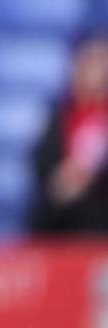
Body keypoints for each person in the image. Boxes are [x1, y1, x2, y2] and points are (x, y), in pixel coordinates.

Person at [30, 33, 108, 233]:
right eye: (86, 63)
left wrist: (89, 177)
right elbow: (42, 157)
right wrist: (60, 177)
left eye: (98, 63)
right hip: (60, 212)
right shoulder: (59, 113)